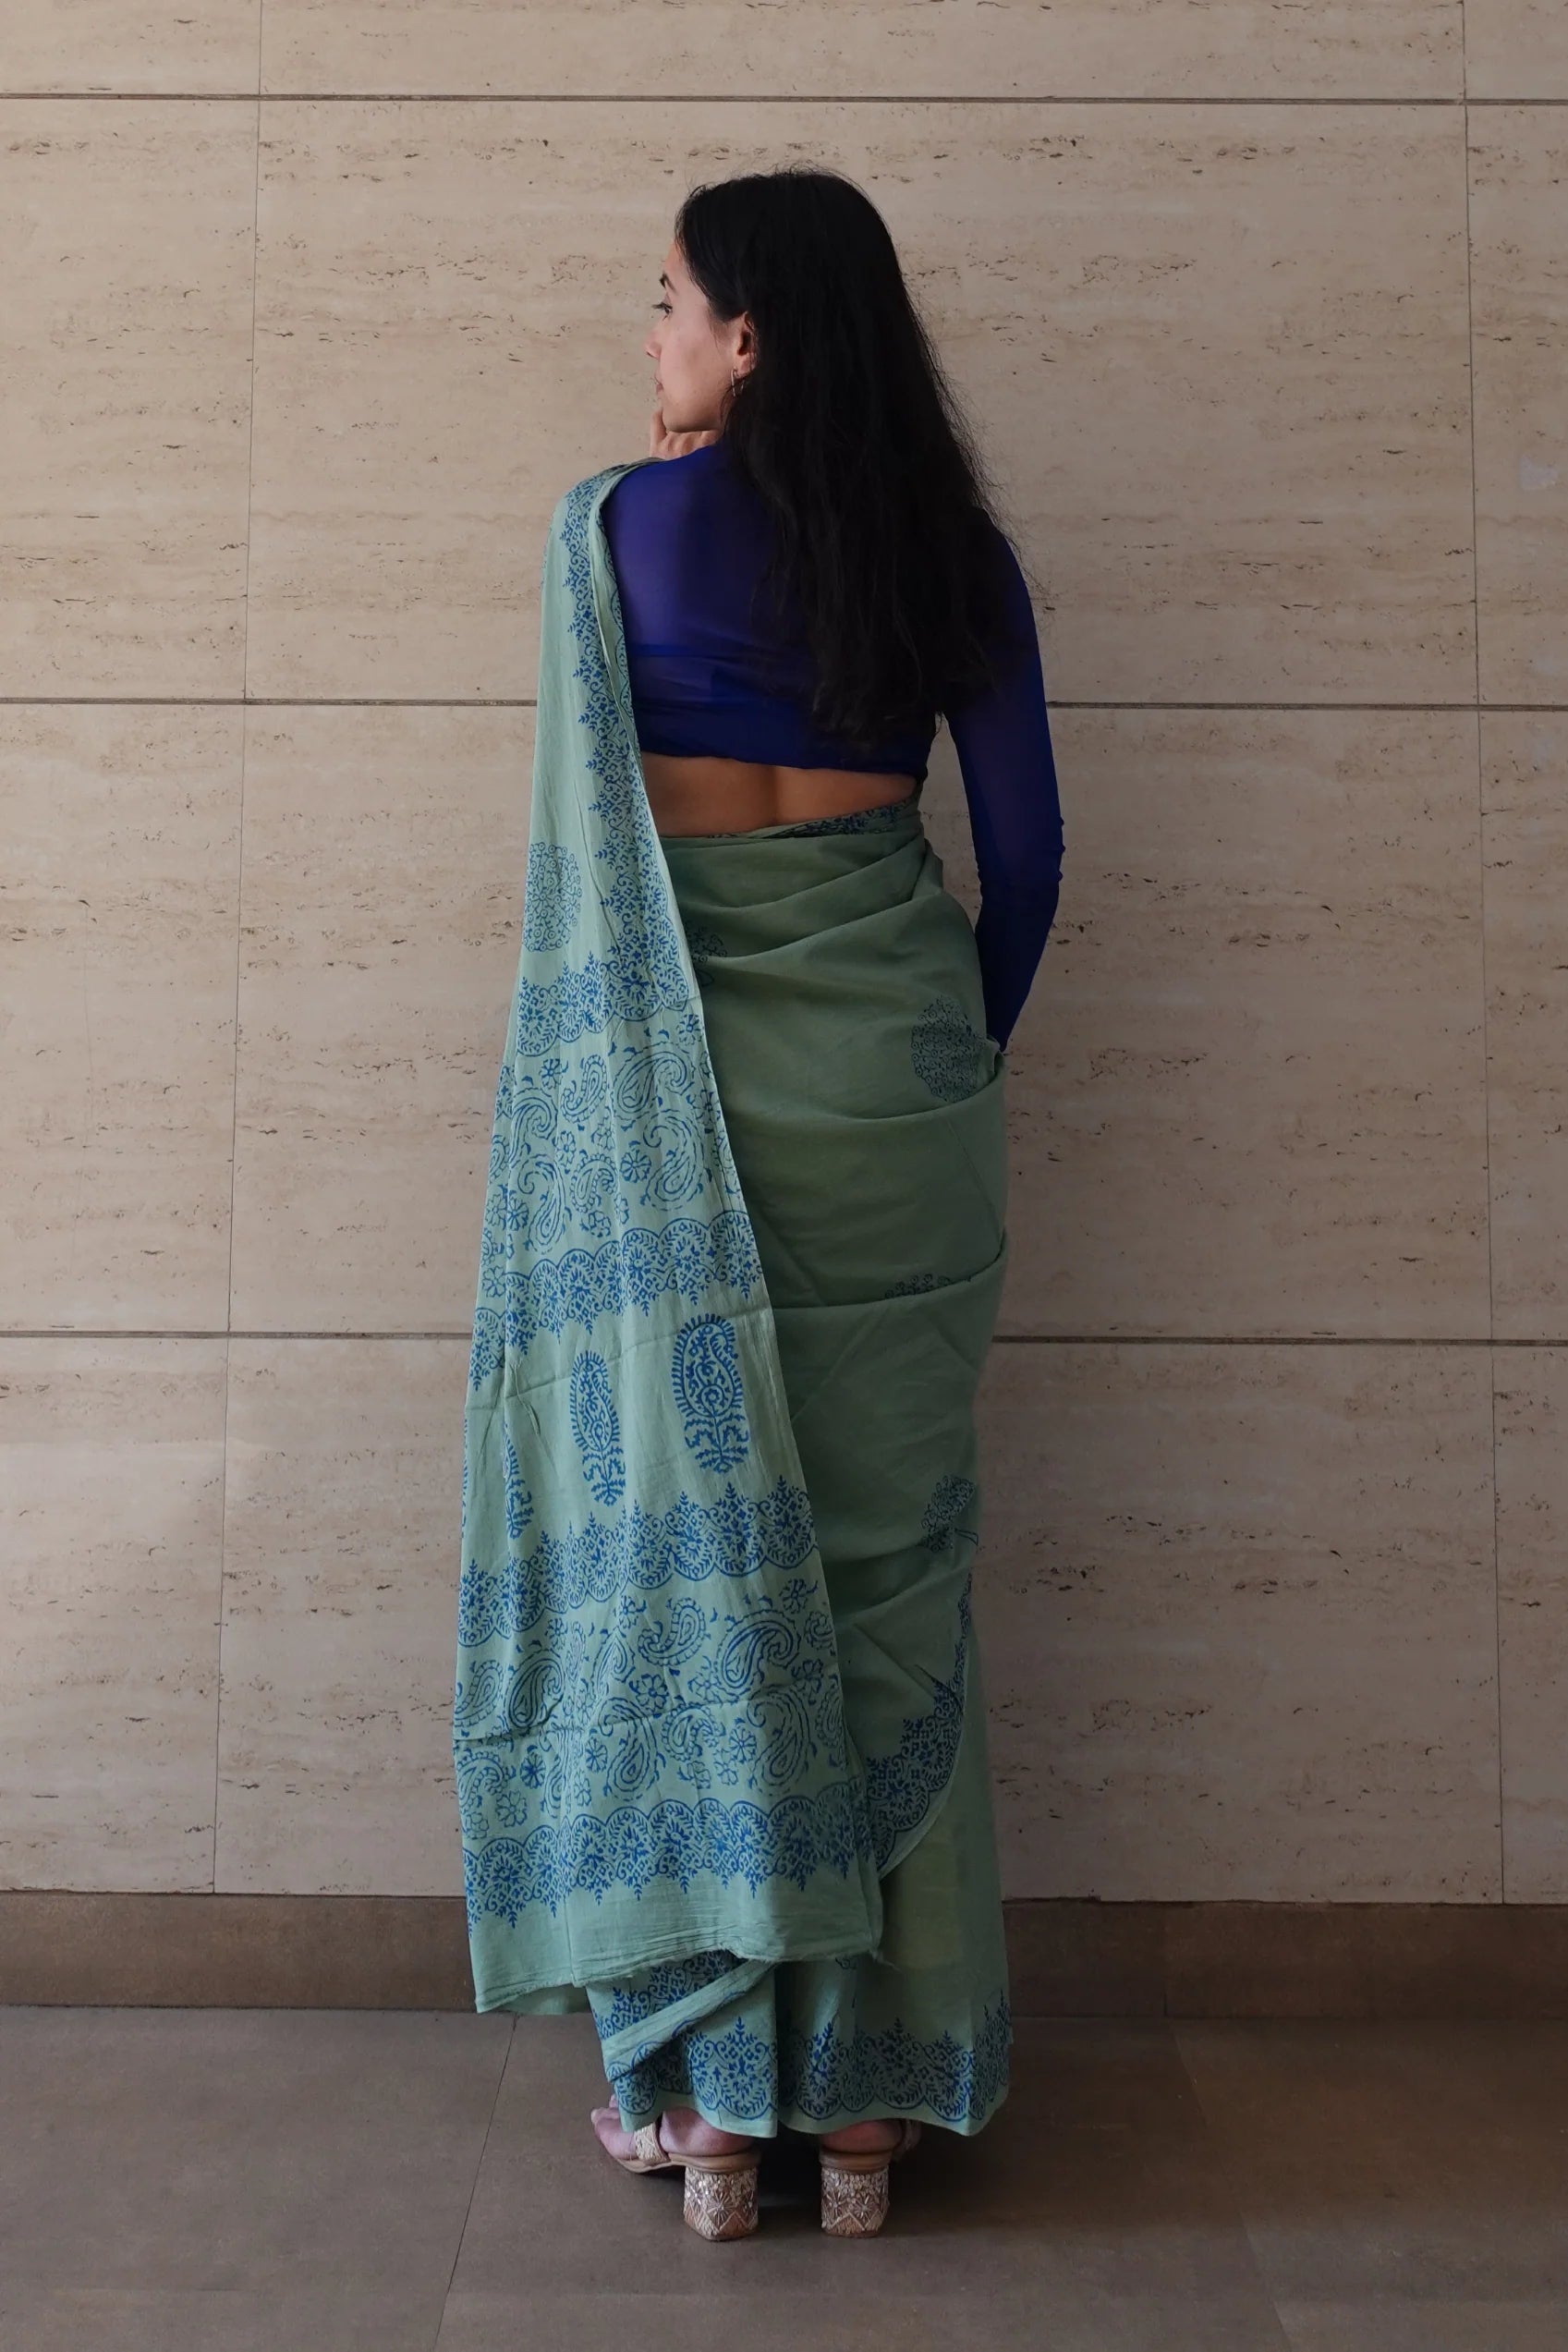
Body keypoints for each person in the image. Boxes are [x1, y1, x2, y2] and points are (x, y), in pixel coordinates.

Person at [453, 164, 1064, 2242]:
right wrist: (945, 1054)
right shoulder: (951, 550)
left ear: (749, 335)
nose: (649, 337)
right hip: (900, 1104)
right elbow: (1029, 861)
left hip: (679, 1093)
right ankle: (872, 2114)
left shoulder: (611, 534)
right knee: (886, 1579)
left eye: (668, 300)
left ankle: (715, 2112)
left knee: (695, 1585)